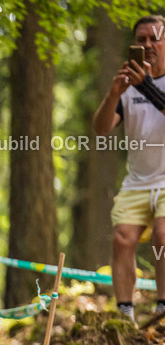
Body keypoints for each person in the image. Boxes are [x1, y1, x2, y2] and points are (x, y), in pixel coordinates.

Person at [93, 14, 165, 323]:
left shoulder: (147, 84)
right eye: (141, 39)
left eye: (154, 38)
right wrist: (113, 94)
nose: (147, 44)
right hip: (137, 181)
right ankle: (125, 314)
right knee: (122, 238)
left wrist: (146, 85)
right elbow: (100, 129)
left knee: (163, 234)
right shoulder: (127, 86)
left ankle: (163, 307)